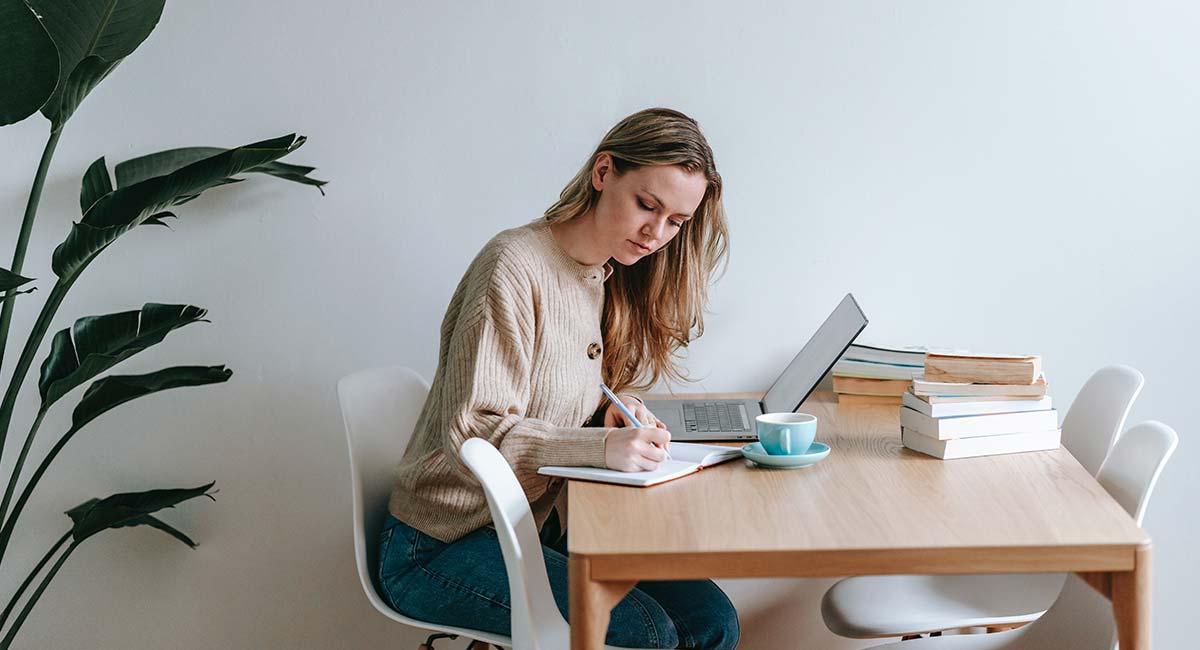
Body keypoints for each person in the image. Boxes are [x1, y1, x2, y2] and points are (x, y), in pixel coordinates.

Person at [378, 107, 737, 649]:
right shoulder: (513, 267)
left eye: (676, 222)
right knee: (649, 633)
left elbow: (552, 391)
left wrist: (609, 413)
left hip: (531, 527)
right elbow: (472, 432)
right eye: (647, 205)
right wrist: (600, 447)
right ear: (603, 172)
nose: (656, 233)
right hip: (440, 543)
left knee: (711, 622)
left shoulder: (600, 273)